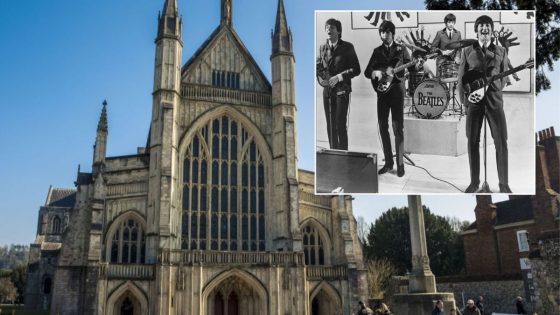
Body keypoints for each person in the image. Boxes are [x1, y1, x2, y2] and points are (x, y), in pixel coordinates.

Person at [458, 15, 512, 193]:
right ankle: (474, 182)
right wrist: (466, 103)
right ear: (476, 30)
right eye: (481, 25)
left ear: (491, 29)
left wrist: (493, 89)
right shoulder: (467, 51)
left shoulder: (501, 51)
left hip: (495, 102)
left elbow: (503, 77)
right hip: (474, 104)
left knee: (501, 142)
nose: (484, 28)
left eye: (487, 25)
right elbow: (461, 80)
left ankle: (504, 184)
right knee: (472, 141)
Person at [365, 20, 416, 177]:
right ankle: (388, 163)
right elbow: (367, 72)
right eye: (382, 32)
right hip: (382, 94)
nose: (385, 35)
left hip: (397, 93)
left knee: (397, 128)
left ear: (393, 33)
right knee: (382, 127)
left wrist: (418, 63)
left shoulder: (401, 49)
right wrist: (376, 73)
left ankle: (400, 165)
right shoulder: (377, 51)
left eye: (387, 32)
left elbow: (412, 66)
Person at [316, 18, 361, 150]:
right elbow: (319, 68)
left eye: (332, 27)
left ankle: (343, 156)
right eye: (327, 27)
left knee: (340, 124)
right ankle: (333, 155)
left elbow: (356, 69)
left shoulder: (348, 47)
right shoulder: (322, 48)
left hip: (342, 90)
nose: (328, 29)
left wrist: (339, 77)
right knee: (330, 125)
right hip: (327, 92)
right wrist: (320, 78)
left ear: (339, 31)